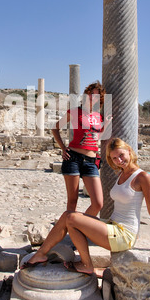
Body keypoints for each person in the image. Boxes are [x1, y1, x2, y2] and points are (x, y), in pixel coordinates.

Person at [21, 137, 150, 274]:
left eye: (121, 155)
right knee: (68, 219)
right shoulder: (122, 173)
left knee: (70, 216)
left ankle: (63, 259)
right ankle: (71, 261)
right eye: (114, 158)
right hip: (112, 225)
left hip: (124, 234)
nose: (119, 160)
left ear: (129, 152)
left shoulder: (143, 177)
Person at [52, 81, 112, 216]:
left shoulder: (98, 116)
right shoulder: (74, 112)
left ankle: (80, 226)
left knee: (98, 203)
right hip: (73, 158)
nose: (92, 98)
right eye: (91, 94)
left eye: (96, 96)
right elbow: (55, 128)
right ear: (86, 95)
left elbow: (96, 138)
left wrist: (106, 124)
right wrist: (63, 148)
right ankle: (72, 230)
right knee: (72, 200)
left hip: (91, 162)